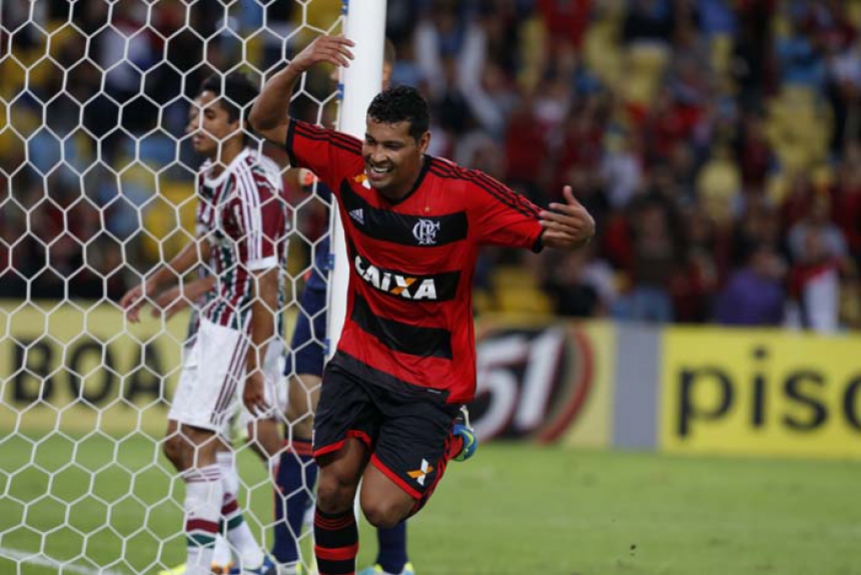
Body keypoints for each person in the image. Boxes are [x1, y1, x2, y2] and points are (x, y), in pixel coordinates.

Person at [249, 35, 595, 575]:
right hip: (360, 359)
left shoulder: (465, 195)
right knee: (335, 488)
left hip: (429, 380)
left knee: (380, 508)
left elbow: (548, 232)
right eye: (371, 142)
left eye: (392, 146)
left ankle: (448, 434)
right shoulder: (346, 164)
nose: (376, 156)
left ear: (423, 143)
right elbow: (265, 122)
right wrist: (297, 65)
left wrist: (581, 231)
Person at [121, 72, 289, 575]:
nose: (196, 123)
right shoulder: (210, 173)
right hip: (214, 313)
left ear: (237, 123)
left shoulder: (253, 184)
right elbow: (209, 246)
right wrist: (158, 283)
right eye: (195, 114)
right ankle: (249, 554)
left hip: (240, 324)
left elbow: (265, 281)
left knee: (200, 442)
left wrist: (257, 364)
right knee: (179, 444)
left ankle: (203, 566)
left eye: (209, 115)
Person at [272, 40, 417, 575]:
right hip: (325, 276)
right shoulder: (326, 122)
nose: (349, 66)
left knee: (377, 432)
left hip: (376, 290)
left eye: (370, 60)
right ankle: (284, 559)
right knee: (300, 414)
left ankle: (395, 565)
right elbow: (293, 162)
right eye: (343, 55)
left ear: (389, 70)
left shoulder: (396, 133)